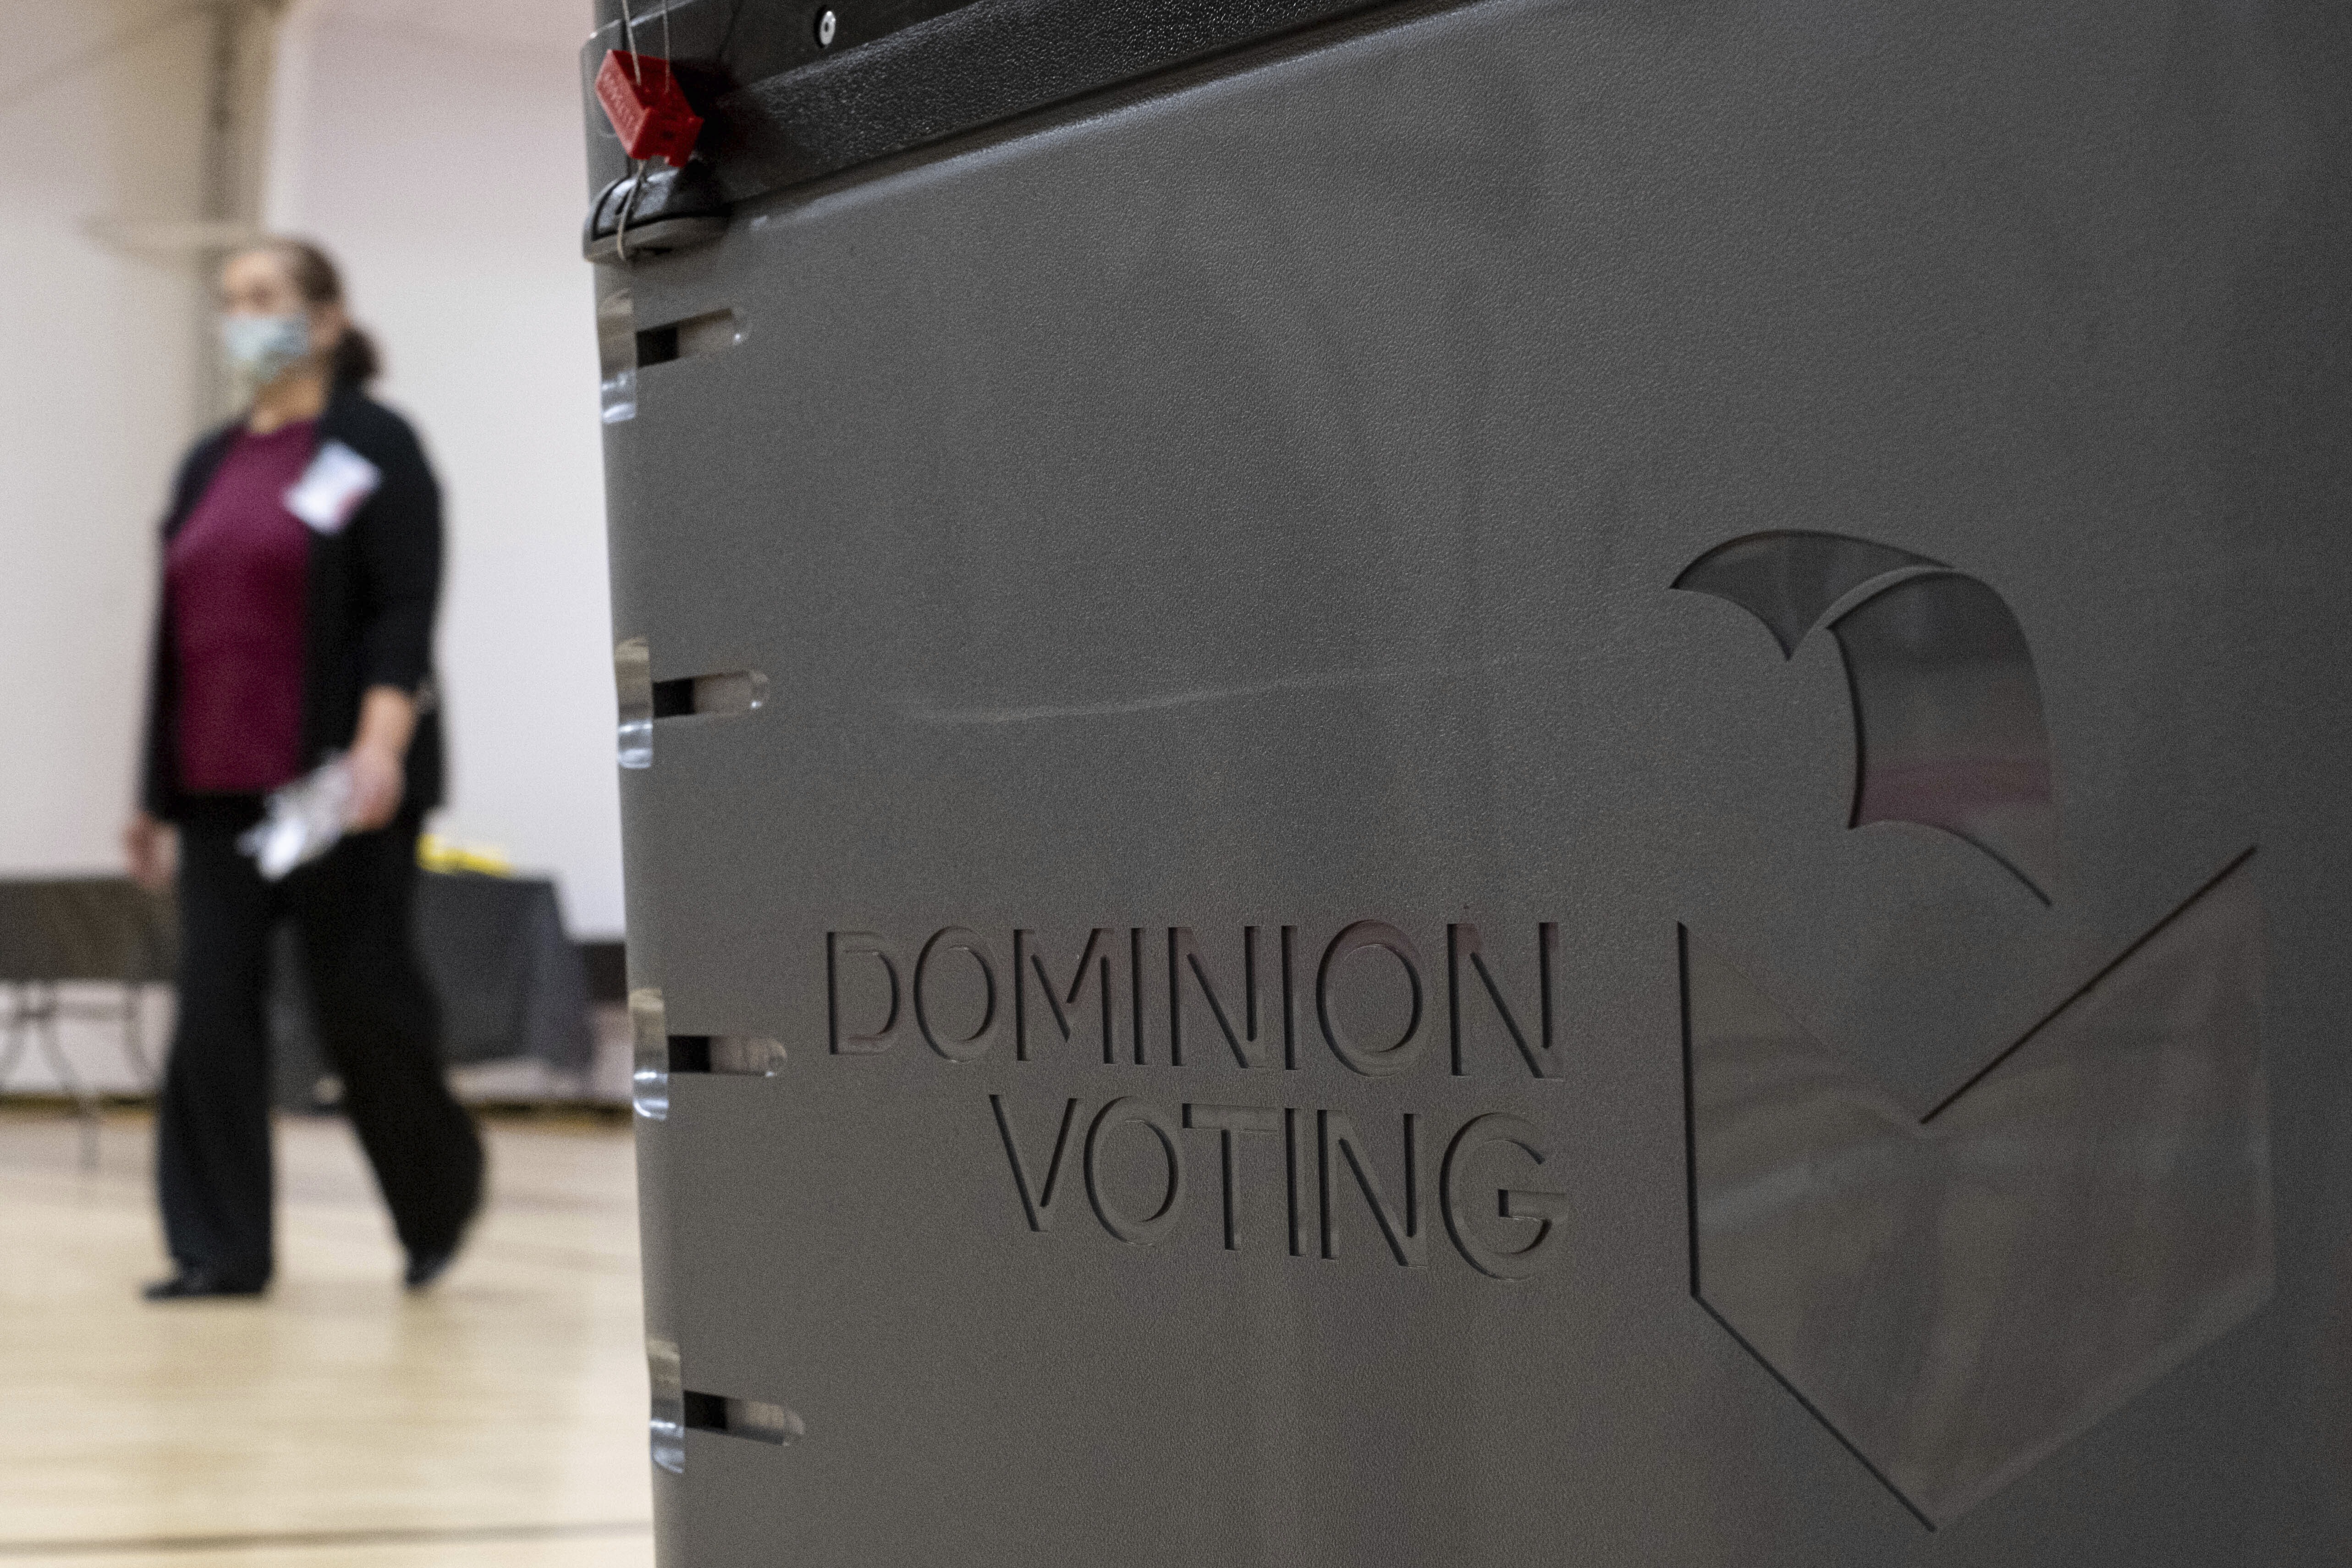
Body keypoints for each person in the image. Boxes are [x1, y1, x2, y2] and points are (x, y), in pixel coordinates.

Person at [124, 238, 484, 1301]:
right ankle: (221, 1247)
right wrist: (152, 797)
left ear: (325, 319)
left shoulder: (375, 442)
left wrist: (378, 747)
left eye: (267, 298)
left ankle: (437, 1196)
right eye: (232, 301)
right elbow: (177, 636)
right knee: (210, 1011)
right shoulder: (209, 461)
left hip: (338, 791)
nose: (246, 317)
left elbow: (402, 611)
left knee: (362, 1005)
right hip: (216, 789)